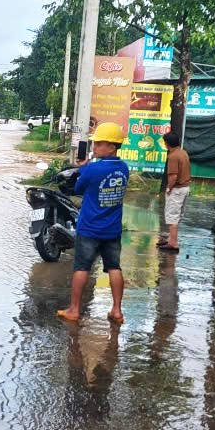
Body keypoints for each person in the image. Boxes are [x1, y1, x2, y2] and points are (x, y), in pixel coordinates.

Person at [57, 122, 129, 324]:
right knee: (114, 267)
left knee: (81, 267)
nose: (94, 147)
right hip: (112, 230)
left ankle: (74, 309)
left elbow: (77, 188)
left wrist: (84, 168)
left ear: (112, 147)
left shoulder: (93, 170)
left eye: (99, 144)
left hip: (89, 228)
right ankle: (116, 310)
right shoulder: (123, 168)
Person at [158, 131, 191, 253]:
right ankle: (171, 238)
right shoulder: (183, 152)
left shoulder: (173, 156)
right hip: (185, 187)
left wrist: (168, 188)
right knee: (177, 216)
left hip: (177, 189)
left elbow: (173, 176)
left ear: (167, 144)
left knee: (172, 216)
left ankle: (173, 243)